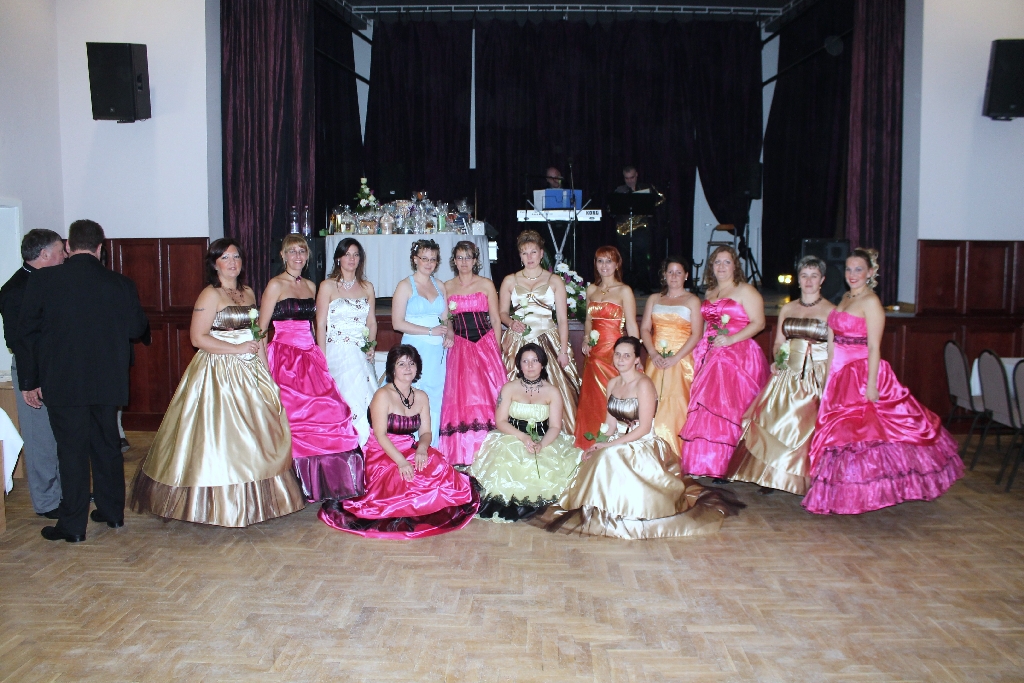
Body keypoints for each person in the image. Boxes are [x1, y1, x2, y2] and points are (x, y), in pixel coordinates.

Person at [131, 238, 305, 527]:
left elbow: (257, 335)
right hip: (218, 373)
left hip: (250, 372)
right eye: (225, 258)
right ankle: (217, 503)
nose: (232, 263)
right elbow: (197, 338)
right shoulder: (209, 295)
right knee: (222, 438)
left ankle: (252, 501)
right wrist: (235, 349)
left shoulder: (248, 292)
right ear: (214, 264)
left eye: (236, 257)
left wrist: (267, 374)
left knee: (254, 438)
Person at [803, 249, 963, 514]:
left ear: (870, 272)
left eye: (858, 269)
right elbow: (833, 342)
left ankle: (868, 491)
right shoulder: (845, 297)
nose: (852, 274)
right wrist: (828, 374)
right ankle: (846, 493)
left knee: (862, 436)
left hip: (861, 373)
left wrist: (872, 385)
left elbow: (874, 347)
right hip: (839, 374)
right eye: (848, 269)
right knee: (841, 436)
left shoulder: (871, 302)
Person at [19, 220, 148, 542]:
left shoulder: (44, 280)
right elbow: (137, 329)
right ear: (100, 248)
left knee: (71, 452)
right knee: (107, 447)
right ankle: (112, 513)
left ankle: (73, 527)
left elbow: (26, 334)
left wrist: (29, 380)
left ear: (68, 246)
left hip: (63, 381)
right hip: (108, 381)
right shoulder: (121, 283)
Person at [543, 337, 741, 539]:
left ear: (637, 359)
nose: (621, 359)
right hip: (619, 439)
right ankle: (599, 507)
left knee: (610, 455)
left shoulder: (643, 384)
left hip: (642, 442)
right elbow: (610, 424)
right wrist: (598, 444)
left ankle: (621, 511)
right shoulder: (613, 383)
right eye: (618, 354)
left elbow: (645, 428)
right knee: (596, 457)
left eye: (626, 355)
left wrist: (610, 445)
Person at [319, 344, 479, 537]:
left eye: (411, 363)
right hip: (381, 451)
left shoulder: (421, 396)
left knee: (437, 466)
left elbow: (426, 432)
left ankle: (429, 508)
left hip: (409, 448)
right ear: (392, 369)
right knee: (405, 481)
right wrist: (401, 462)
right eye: (401, 364)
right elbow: (380, 435)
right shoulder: (383, 395)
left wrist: (422, 449)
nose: (408, 368)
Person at [259, 234, 363, 502]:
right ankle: (292, 486)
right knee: (293, 419)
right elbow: (260, 330)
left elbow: (315, 325)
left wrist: (319, 355)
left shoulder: (310, 285)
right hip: (284, 358)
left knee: (331, 411)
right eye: (292, 251)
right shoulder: (275, 285)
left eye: (302, 251)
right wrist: (264, 368)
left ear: (307, 257)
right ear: (283, 255)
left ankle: (326, 481)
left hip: (309, 357)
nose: (297, 256)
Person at [726, 256, 835, 495]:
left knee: (803, 426)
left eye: (814, 276)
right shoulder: (788, 307)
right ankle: (771, 474)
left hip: (816, 373)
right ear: (798, 279)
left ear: (822, 280)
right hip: (788, 371)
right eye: (804, 275)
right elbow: (778, 343)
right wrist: (778, 360)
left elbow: (833, 349)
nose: (808, 281)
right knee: (775, 422)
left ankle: (801, 478)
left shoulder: (831, 311)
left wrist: (828, 381)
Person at [680, 245, 770, 481]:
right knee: (709, 408)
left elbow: (759, 323)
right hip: (711, 353)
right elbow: (708, 324)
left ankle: (729, 464)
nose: (721, 266)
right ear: (711, 266)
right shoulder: (710, 291)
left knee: (730, 408)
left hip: (738, 355)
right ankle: (708, 462)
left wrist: (730, 339)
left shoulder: (745, 290)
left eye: (726, 262)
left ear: (735, 266)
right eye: (717, 262)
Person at [470, 344, 582, 521]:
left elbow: (555, 427)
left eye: (535, 360)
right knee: (505, 471)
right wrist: (523, 437)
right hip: (512, 436)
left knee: (545, 473)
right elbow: (500, 421)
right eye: (525, 361)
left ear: (542, 364)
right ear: (519, 365)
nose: (530, 365)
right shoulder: (509, 388)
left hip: (543, 438)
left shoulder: (552, 391)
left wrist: (541, 444)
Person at [0, 230, 65, 518]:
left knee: (62, 436)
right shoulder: (15, 289)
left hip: (56, 368)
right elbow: (18, 341)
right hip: (33, 371)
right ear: (44, 255)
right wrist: (30, 381)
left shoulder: (51, 280)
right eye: (60, 251)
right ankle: (47, 501)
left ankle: (66, 491)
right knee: (41, 441)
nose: (64, 256)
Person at [498, 230, 581, 434]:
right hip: (518, 340)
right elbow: (502, 313)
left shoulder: (554, 280)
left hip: (548, 338)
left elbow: (562, 319)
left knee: (556, 385)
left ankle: (557, 432)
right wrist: (511, 322)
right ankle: (518, 431)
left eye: (533, 252)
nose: (529, 257)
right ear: (520, 255)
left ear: (541, 253)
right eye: (524, 253)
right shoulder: (510, 280)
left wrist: (563, 350)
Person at [438, 241, 506, 466]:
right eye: (459, 257)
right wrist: (449, 331)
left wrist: (496, 347)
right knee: (464, 396)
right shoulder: (447, 286)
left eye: (468, 257)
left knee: (489, 394)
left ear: (475, 260)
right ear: (454, 261)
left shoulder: (486, 284)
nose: (464, 262)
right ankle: (464, 451)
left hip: (485, 344)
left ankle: (493, 449)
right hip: (461, 345)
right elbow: (447, 319)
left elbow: (495, 318)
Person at [575, 246, 638, 449]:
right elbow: (588, 320)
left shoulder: (624, 290)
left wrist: (634, 356)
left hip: (614, 353)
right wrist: (586, 339)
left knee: (613, 397)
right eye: (600, 261)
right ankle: (589, 442)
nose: (604, 265)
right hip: (594, 354)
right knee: (593, 400)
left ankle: (613, 444)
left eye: (609, 261)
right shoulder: (591, 289)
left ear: (617, 264)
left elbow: (631, 325)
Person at [391, 240, 453, 448]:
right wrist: (429, 331)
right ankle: (410, 446)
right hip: (415, 349)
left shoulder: (440, 285)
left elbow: (446, 318)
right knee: (413, 394)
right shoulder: (405, 286)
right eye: (424, 258)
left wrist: (449, 334)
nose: (429, 263)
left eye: (433, 259)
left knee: (435, 397)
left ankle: (431, 448)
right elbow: (397, 323)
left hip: (437, 353)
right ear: (415, 260)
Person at [317, 238, 378, 446]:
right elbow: (320, 325)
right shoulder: (327, 286)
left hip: (361, 350)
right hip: (337, 351)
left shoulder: (367, 287)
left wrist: (371, 345)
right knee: (342, 398)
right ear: (338, 258)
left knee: (366, 397)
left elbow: (371, 321)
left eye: (356, 254)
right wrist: (322, 358)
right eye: (347, 254)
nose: (351, 259)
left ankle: (365, 445)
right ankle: (345, 443)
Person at [639, 256, 703, 457]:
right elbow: (645, 329)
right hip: (656, 359)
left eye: (678, 272)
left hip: (681, 360)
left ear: (686, 275)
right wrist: (652, 353)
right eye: (670, 272)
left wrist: (676, 358)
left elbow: (697, 334)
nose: (674, 276)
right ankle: (650, 451)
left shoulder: (692, 300)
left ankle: (675, 452)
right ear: (664, 275)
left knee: (677, 405)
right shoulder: (654, 299)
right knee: (651, 401)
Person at [612, 166, 659, 293]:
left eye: (632, 177)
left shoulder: (645, 189)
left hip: (641, 229)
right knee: (625, 259)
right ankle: (627, 286)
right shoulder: (619, 190)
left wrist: (649, 210)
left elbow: (652, 209)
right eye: (626, 178)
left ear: (637, 175)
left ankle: (645, 286)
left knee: (642, 258)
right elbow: (613, 210)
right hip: (624, 229)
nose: (629, 181)